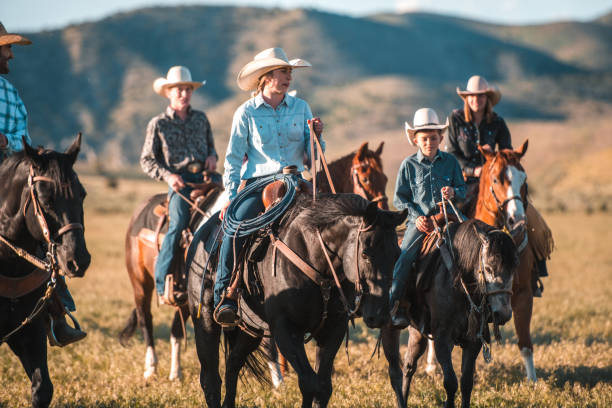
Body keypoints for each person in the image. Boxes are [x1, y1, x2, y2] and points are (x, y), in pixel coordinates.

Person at [214, 47, 324, 324]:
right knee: (235, 226)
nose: (289, 76)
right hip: (257, 183)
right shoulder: (245, 113)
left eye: (289, 71)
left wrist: (317, 137)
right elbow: (233, 160)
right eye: (283, 71)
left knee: (331, 221)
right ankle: (224, 295)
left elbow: (313, 160)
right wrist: (230, 195)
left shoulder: (302, 108)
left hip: (296, 179)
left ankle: (336, 292)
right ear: (266, 76)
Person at [0, 22, 86, 346]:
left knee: (42, 219)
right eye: (6, 48)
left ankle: (55, 307)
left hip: (13, 169)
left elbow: (22, 137)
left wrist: (36, 157)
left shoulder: (11, 93)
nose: (10, 55)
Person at [446, 75, 551, 296]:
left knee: (534, 223)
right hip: (465, 182)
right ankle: (448, 274)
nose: (476, 99)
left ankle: (534, 275)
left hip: (497, 183)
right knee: (448, 222)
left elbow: (507, 154)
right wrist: (472, 170)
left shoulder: (498, 123)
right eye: (472, 96)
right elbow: (453, 154)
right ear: (466, 98)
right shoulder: (456, 120)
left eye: (481, 96)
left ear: (487, 98)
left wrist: (499, 162)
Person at [141, 66, 217, 305]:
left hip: (206, 178)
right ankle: (163, 284)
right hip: (180, 182)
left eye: (188, 89)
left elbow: (211, 147)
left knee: (232, 206)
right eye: (179, 90)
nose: (184, 94)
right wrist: (168, 176)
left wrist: (213, 157)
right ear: (168, 93)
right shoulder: (158, 124)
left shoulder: (201, 119)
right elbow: (147, 160)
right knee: (178, 224)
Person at [389, 108, 466, 328]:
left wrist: (453, 192)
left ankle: (481, 301)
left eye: (433, 138)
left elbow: (462, 189)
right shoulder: (408, 165)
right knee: (404, 257)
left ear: (441, 138)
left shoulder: (450, 162)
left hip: (450, 214)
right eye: (424, 138)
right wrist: (418, 217)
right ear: (415, 140)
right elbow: (400, 199)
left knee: (476, 239)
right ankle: (394, 304)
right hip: (419, 222)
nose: (429, 142)